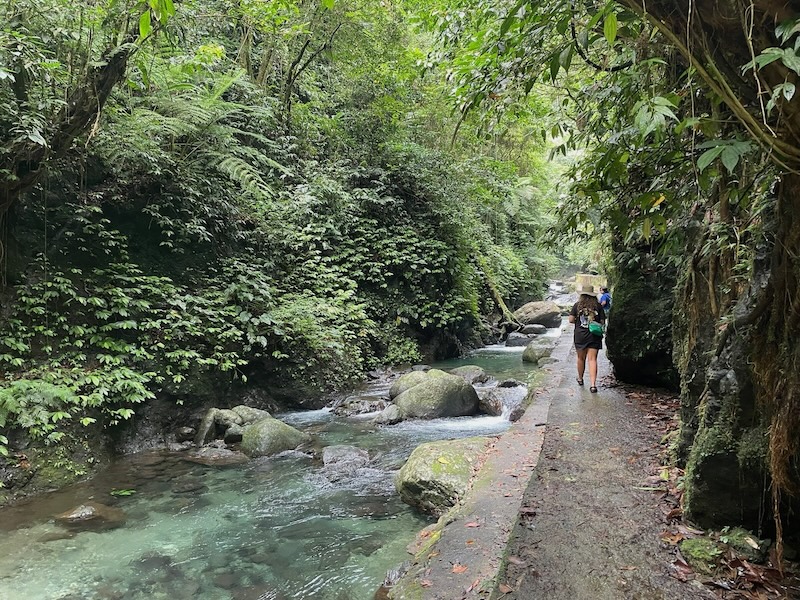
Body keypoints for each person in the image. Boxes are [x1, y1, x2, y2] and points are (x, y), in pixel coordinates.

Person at [568, 284, 606, 393]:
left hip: (580, 335)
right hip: (594, 335)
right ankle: (593, 385)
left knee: (581, 358)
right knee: (592, 359)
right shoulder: (598, 306)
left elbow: (570, 320)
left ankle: (580, 379)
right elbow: (603, 321)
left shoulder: (577, 305)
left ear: (582, 295)